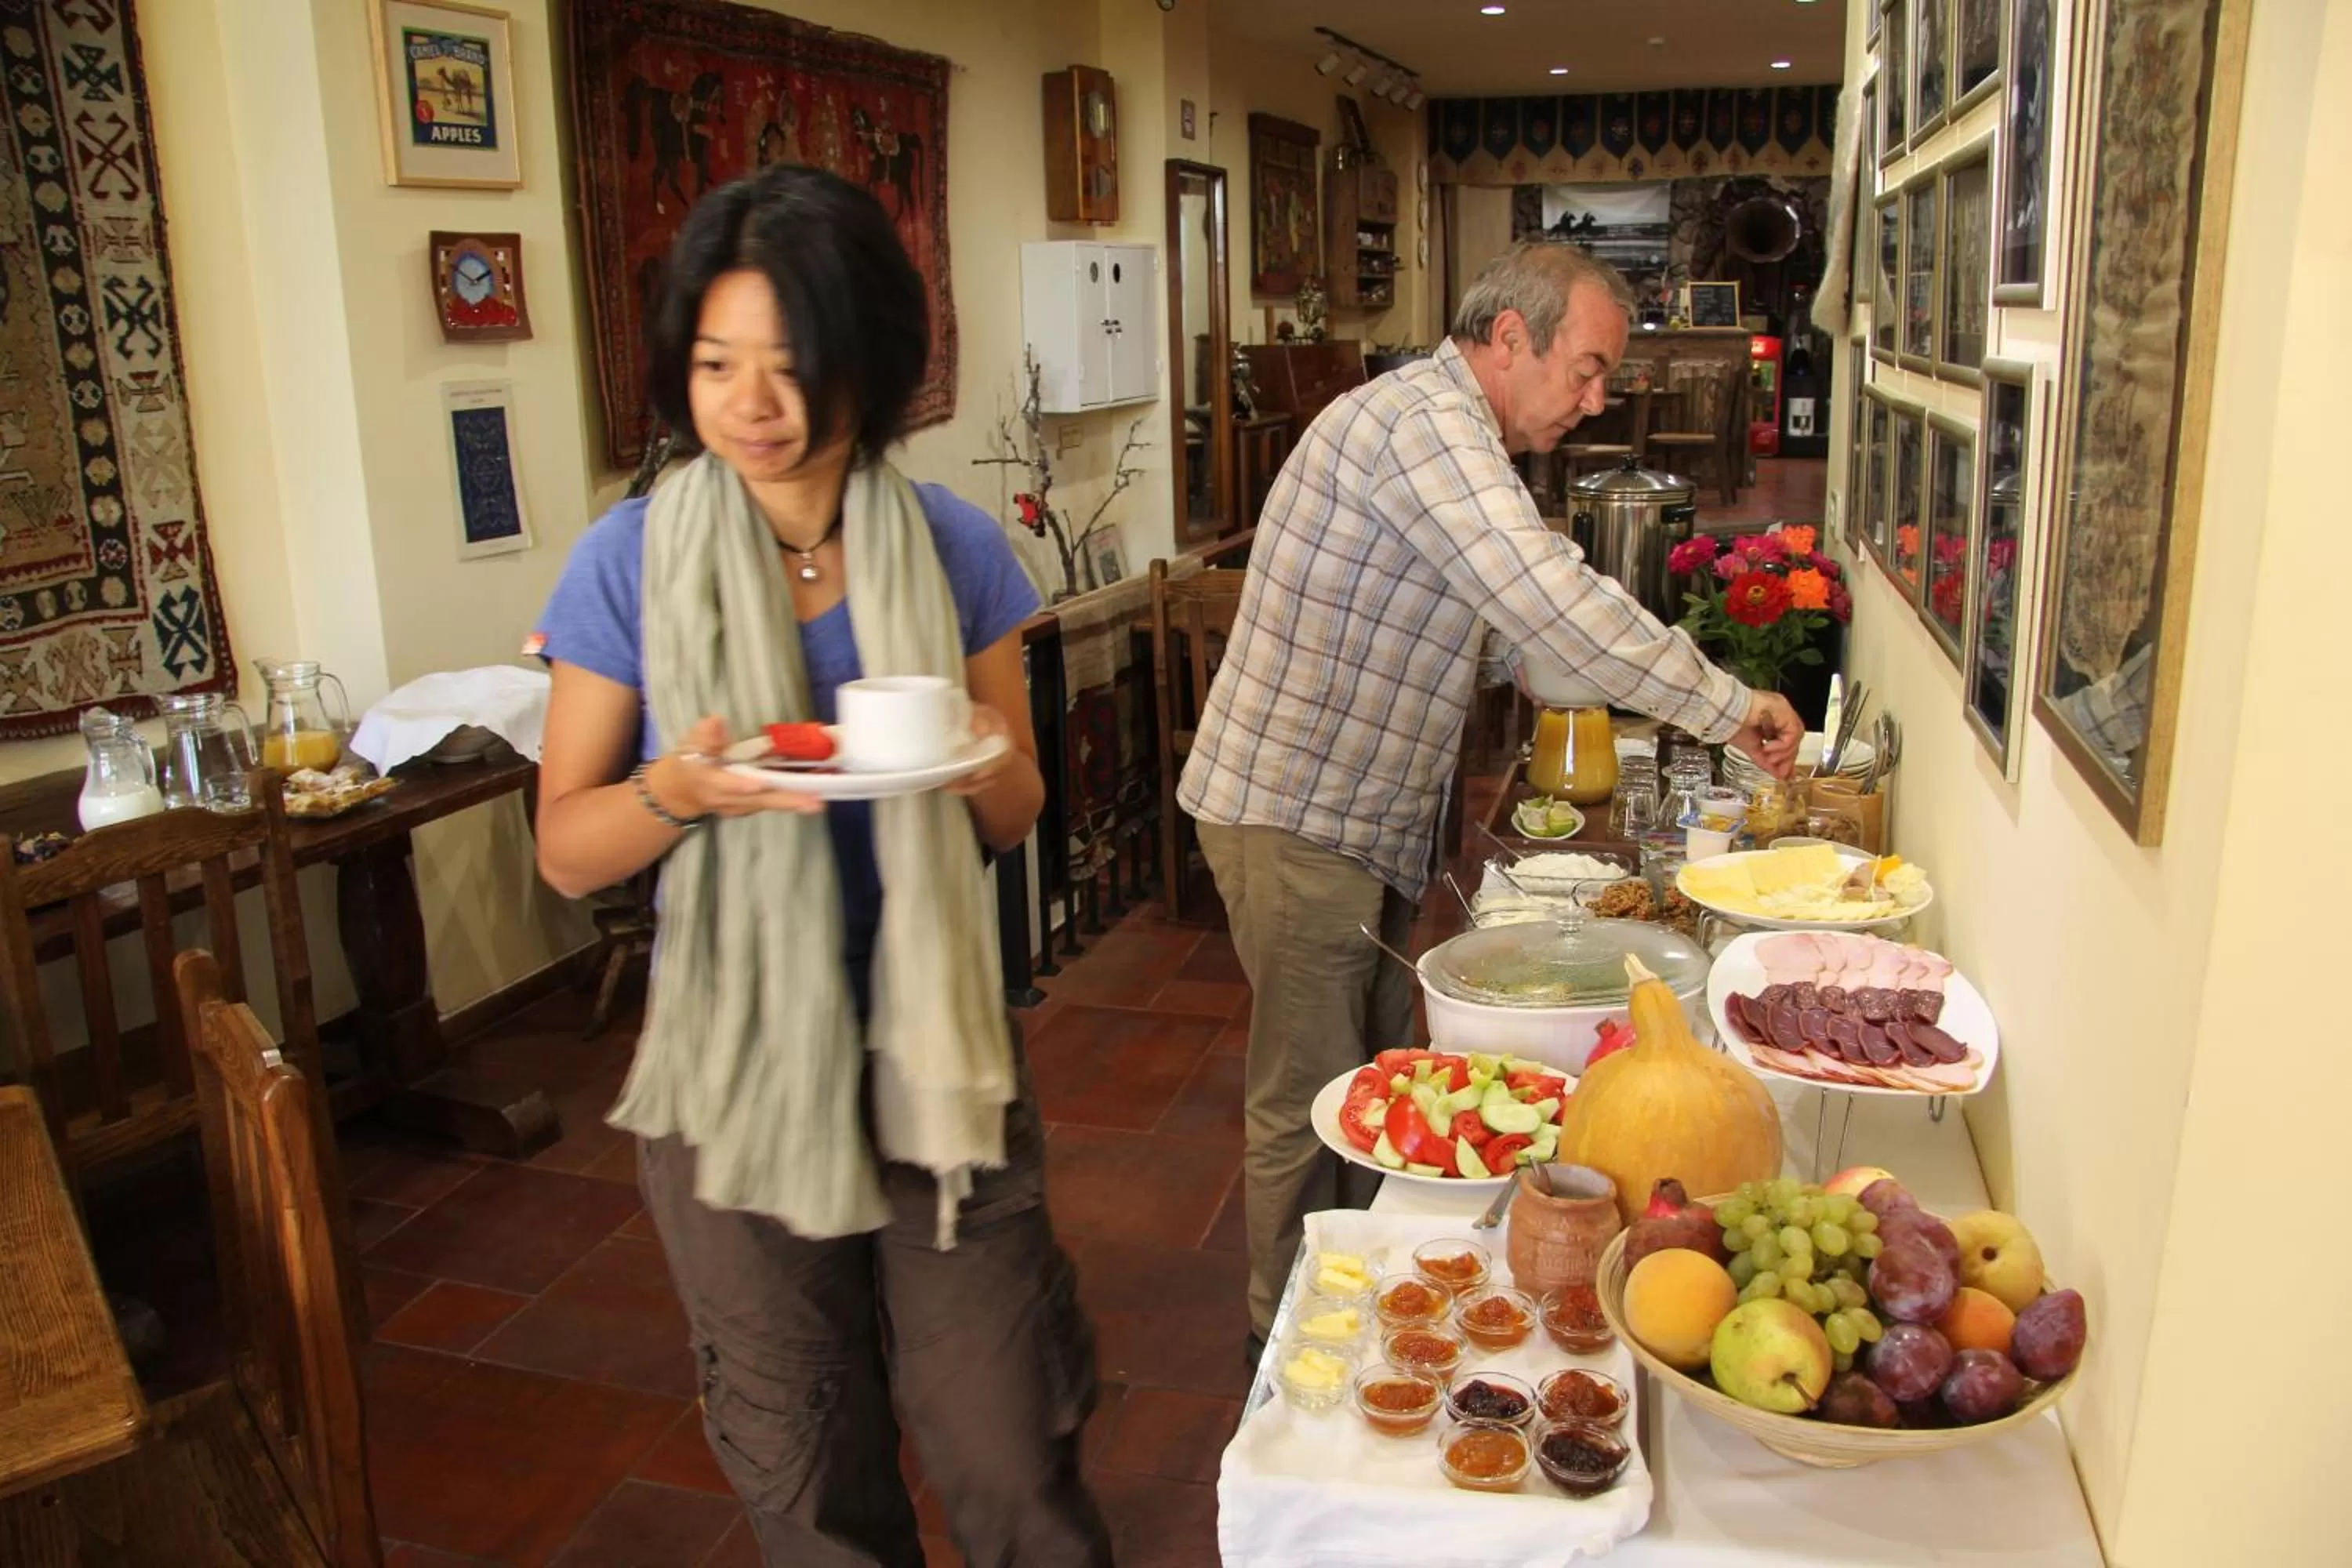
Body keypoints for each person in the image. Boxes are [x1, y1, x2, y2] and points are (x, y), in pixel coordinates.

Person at [531, 165, 1112, 1568]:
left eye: (792, 365)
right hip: (737, 1074)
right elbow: (563, 846)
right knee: (809, 1470)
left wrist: (983, 753)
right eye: (718, 363)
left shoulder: (953, 547)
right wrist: (672, 794)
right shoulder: (628, 563)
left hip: (940, 1059)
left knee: (1006, 1443)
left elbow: (1015, 810)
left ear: (872, 362)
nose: (752, 403)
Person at [1180, 241, 1803, 1350]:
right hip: (1296, 812)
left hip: (1352, 817)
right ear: (1509, 339)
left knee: (1370, 1092)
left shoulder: (1456, 434)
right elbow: (1553, 603)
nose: (1597, 399)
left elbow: (1510, 625)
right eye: (1588, 368)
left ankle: (1360, 1303)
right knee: (1310, 1098)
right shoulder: (1426, 424)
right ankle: (1282, 1356)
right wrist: (1723, 702)